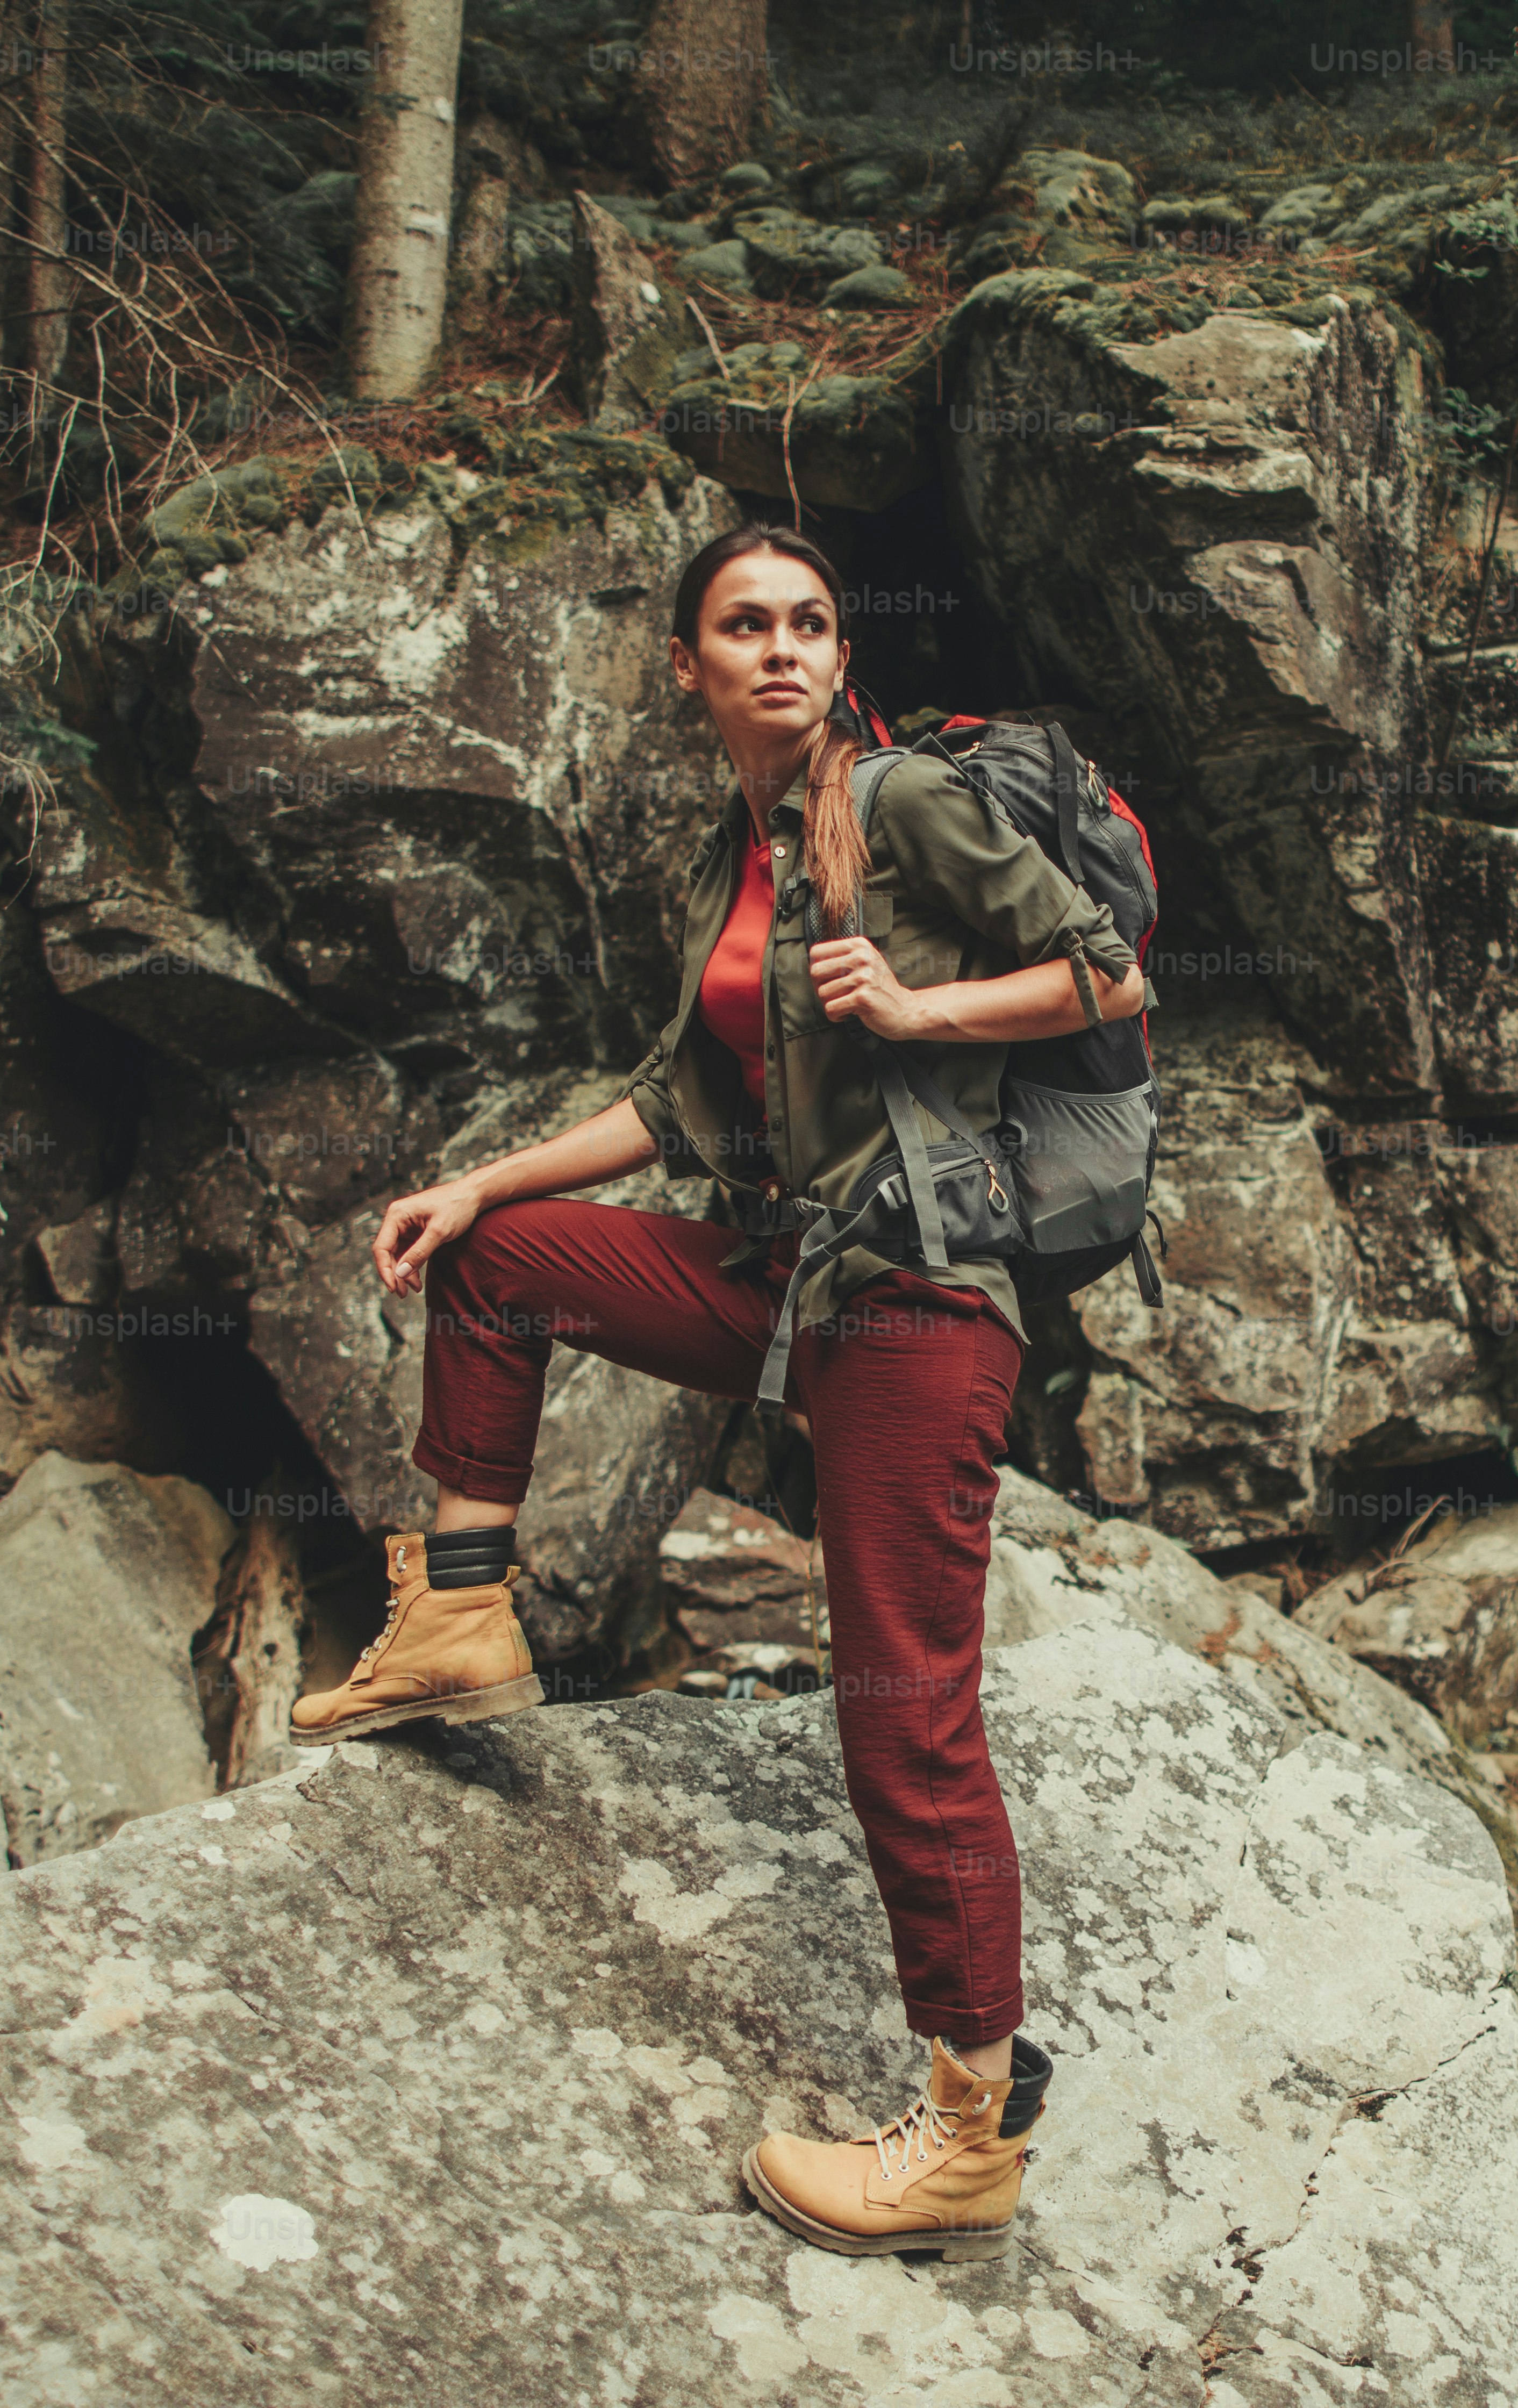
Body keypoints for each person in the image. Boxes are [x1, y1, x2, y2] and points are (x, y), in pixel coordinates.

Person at [284, 521, 1144, 2263]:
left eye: (811, 623)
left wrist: (918, 1012)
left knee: (903, 1707)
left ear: (841, 655)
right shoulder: (735, 855)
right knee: (502, 1260)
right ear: (687, 664)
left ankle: (969, 2133)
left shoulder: (901, 802)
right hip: (794, 1279)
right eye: (745, 625)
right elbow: (676, 1106)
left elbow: (1107, 974)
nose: (783, 649)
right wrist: (478, 1181)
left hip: (919, 1297)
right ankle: (458, 1618)